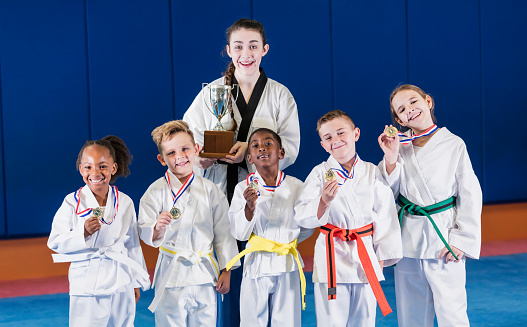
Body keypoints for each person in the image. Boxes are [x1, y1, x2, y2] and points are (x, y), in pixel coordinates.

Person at [377, 84, 482, 326]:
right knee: (411, 314)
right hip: (408, 241)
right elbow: (385, 194)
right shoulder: (398, 145)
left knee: (452, 313)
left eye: (414, 102)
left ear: (428, 101)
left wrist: (461, 240)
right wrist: (391, 158)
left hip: (443, 238)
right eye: (402, 109)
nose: (410, 110)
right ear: (398, 119)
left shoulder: (453, 144)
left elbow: (470, 195)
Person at [295, 110, 403, 327]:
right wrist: (323, 201)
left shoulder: (371, 171)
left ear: (356, 134)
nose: (335, 140)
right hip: (331, 258)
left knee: (364, 321)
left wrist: (379, 257)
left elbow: (385, 213)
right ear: (323, 145)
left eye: (340, 133)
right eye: (328, 138)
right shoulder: (319, 174)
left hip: (365, 258)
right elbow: (301, 215)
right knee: (331, 322)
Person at [183, 18, 300, 201]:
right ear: (229, 50)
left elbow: (290, 147)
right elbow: (188, 140)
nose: (246, 54)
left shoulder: (280, 95)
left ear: (264, 50)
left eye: (253, 46)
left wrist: (250, 150)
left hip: (262, 189)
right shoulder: (210, 93)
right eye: (238, 47)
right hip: (216, 190)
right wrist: (199, 160)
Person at [137, 120, 240, 326]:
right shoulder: (155, 191)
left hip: (204, 274)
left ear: (196, 149)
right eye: (171, 153)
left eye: (185, 149)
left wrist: (226, 269)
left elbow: (223, 231)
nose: (180, 157)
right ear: (161, 159)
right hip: (171, 275)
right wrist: (157, 228)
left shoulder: (211, 190)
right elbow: (144, 229)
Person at [48, 136, 150, 327]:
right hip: (87, 281)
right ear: (80, 169)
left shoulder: (125, 202)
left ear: (113, 168)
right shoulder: (72, 202)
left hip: (121, 280)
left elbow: (132, 245)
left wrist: (135, 281)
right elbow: (55, 241)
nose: (95, 172)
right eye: (88, 167)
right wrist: (82, 233)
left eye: (102, 166)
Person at [225, 128, 313, 327]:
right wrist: (249, 208)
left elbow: (307, 226)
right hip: (257, 263)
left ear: (281, 152)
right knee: (252, 320)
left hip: (287, 262)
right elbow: (238, 232)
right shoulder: (243, 188)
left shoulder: (297, 186)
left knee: (288, 321)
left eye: (268, 143)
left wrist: (287, 242)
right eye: (255, 145)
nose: (262, 148)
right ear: (250, 158)